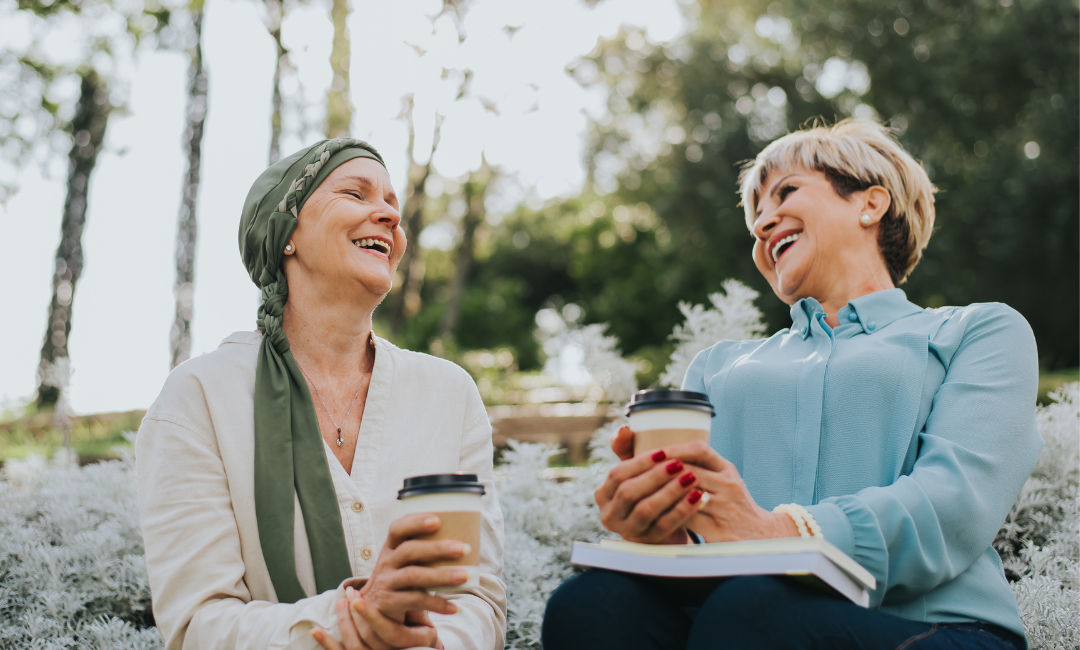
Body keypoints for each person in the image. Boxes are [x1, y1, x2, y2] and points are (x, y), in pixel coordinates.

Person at [542, 119, 1042, 650]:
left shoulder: (978, 331)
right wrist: (664, 525)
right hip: (738, 620)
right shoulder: (716, 367)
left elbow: (953, 505)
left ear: (870, 204)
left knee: (756, 613)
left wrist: (783, 533)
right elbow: (705, 526)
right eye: (755, 215)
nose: (762, 224)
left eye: (786, 192)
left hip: (935, 629)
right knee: (590, 604)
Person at [137, 138, 506, 650]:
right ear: (286, 232)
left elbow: (478, 599)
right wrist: (349, 622)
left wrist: (426, 641)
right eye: (356, 194)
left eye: (393, 207)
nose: (389, 217)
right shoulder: (198, 399)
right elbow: (197, 623)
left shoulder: (450, 394)